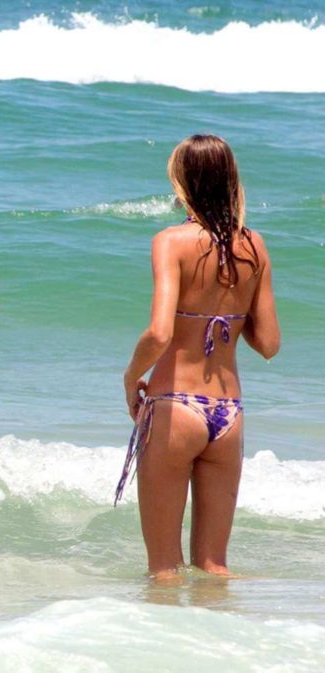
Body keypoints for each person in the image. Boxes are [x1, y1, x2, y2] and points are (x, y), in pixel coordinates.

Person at [118, 135, 280, 582]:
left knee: (163, 570)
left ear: (182, 181)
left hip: (176, 407)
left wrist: (131, 378)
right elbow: (268, 343)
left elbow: (159, 332)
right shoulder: (255, 247)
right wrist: (227, 308)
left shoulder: (170, 241)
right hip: (228, 415)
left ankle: (167, 652)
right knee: (215, 567)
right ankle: (219, 647)